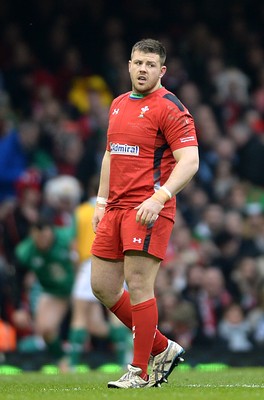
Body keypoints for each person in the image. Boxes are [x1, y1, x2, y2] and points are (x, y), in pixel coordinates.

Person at [91, 38, 199, 389]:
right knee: (102, 287)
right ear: (128, 65)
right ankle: (162, 347)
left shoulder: (170, 107)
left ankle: (140, 371)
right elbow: (110, 155)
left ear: (162, 70)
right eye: (138, 63)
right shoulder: (119, 103)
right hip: (116, 208)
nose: (142, 69)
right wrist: (101, 201)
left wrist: (160, 197)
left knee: (139, 285)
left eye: (150, 65)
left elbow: (190, 160)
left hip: (148, 208)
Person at [14, 218, 75, 365]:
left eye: (46, 236)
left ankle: (126, 347)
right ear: (32, 235)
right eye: (39, 237)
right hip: (54, 292)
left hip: (79, 287)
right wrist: (18, 308)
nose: (43, 241)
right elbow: (16, 280)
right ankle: (63, 361)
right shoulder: (25, 251)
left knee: (94, 325)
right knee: (44, 329)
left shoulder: (67, 238)